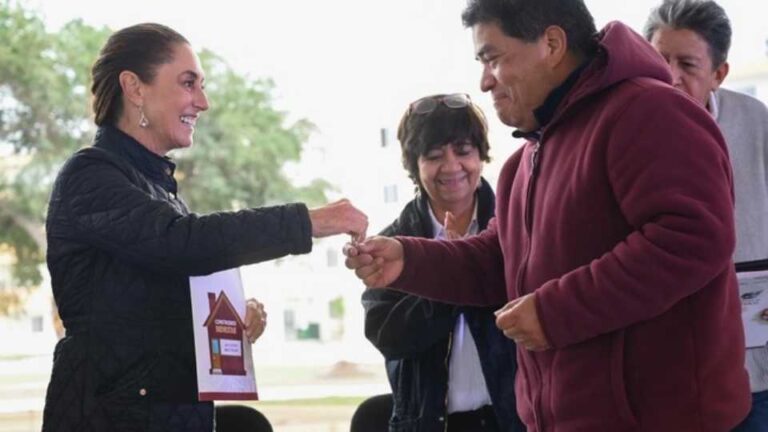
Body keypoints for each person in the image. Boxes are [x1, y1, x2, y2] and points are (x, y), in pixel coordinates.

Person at [344, 0, 751, 430]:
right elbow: (500, 261)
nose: (485, 81)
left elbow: (691, 238)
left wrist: (556, 313)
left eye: (493, 58)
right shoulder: (525, 162)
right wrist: (409, 259)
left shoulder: (649, 111)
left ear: (552, 44)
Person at [41, 23, 367, 432]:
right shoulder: (90, 175)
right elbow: (183, 242)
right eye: (188, 83)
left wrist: (229, 315)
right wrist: (308, 221)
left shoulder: (158, 189)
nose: (204, 102)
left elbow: (161, 290)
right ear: (135, 87)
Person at [357, 93, 524, 432]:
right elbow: (389, 337)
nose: (451, 167)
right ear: (414, 167)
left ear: (481, 155)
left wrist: (468, 262)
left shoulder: (520, 225)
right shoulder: (393, 243)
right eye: (434, 156)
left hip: (516, 420)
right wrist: (444, 271)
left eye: (463, 152)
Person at [644, 1, 768, 430]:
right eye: (659, 60)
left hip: (751, 367)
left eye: (687, 64)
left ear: (719, 74)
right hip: (661, 373)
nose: (670, 76)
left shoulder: (756, 124)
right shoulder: (621, 131)